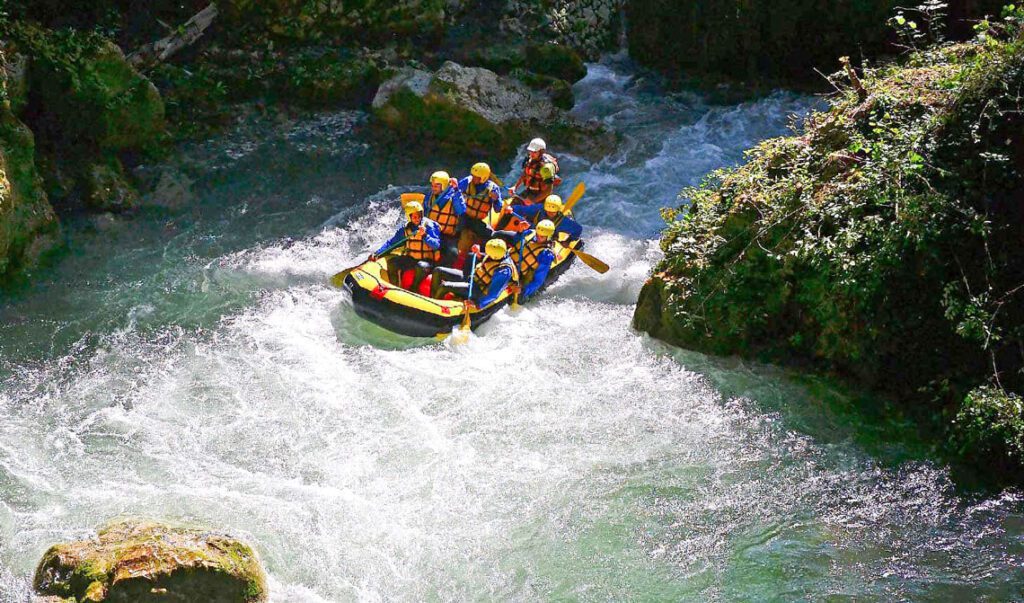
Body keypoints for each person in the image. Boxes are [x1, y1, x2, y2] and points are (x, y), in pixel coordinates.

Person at [371, 201, 441, 291]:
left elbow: (436, 245)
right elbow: (391, 243)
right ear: (409, 217)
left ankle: (414, 288)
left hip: (427, 261)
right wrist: (377, 253)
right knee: (392, 263)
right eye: (414, 216)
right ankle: (394, 287)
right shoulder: (404, 229)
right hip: (411, 259)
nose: (418, 218)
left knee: (421, 266)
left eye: (419, 215)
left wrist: (425, 235)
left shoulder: (430, 226)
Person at [431, 238, 518, 309]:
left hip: (478, 289)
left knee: (445, 286)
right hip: (471, 278)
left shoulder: (503, 271)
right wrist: (478, 253)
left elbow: (493, 294)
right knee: (438, 270)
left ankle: (434, 308)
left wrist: (477, 304)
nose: (486, 252)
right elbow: (489, 260)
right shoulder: (500, 253)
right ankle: (432, 297)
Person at [457, 162, 504, 251]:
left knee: (490, 235)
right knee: (458, 231)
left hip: (477, 221)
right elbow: (455, 194)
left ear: (484, 178)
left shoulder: (493, 188)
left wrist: (496, 199)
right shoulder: (467, 181)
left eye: (476, 177)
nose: (473, 178)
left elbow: (498, 209)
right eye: (473, 175)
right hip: (463, 216)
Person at [510, 219, 557, 301]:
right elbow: (515, 243)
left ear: (548, 237)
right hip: (508, 262)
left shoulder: (546, 254)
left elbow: (539, 280)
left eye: (541, 237)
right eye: (537, 234)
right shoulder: (530, 233)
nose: (538, 238)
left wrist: (523, 290)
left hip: (519, 274)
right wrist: (520, 232)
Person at [423, 170, 464, 264]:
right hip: (431, 232)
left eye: (437, 185)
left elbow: (461, 210)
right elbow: (424, 213)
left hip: (447, 235)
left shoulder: (454, 195)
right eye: (432, 185)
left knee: (452, 253)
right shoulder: (429, 196)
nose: (433, 188)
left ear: (444, 185)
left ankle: (443, 271)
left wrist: (456, 189)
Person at [511, 194, 582, 243]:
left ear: (557, 210)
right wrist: (512, 209)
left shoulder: (563, 222)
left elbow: (578, 229)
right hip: (532, 234)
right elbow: (523, 209)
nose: (550, 213)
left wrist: (568, 241)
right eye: (548, 211)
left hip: (548, 241)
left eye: (553, 212)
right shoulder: (538, 209)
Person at [509, 138, 558, 204]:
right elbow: (526, 174)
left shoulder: (546, 168)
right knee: (513, 204)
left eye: (535, 152)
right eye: (530, 151)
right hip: (530, 191)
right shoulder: (530, 160)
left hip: (542, 196)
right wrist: (515, 187)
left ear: (541, 152)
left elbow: (548, 190)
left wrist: (533, 201)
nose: (531, 154)